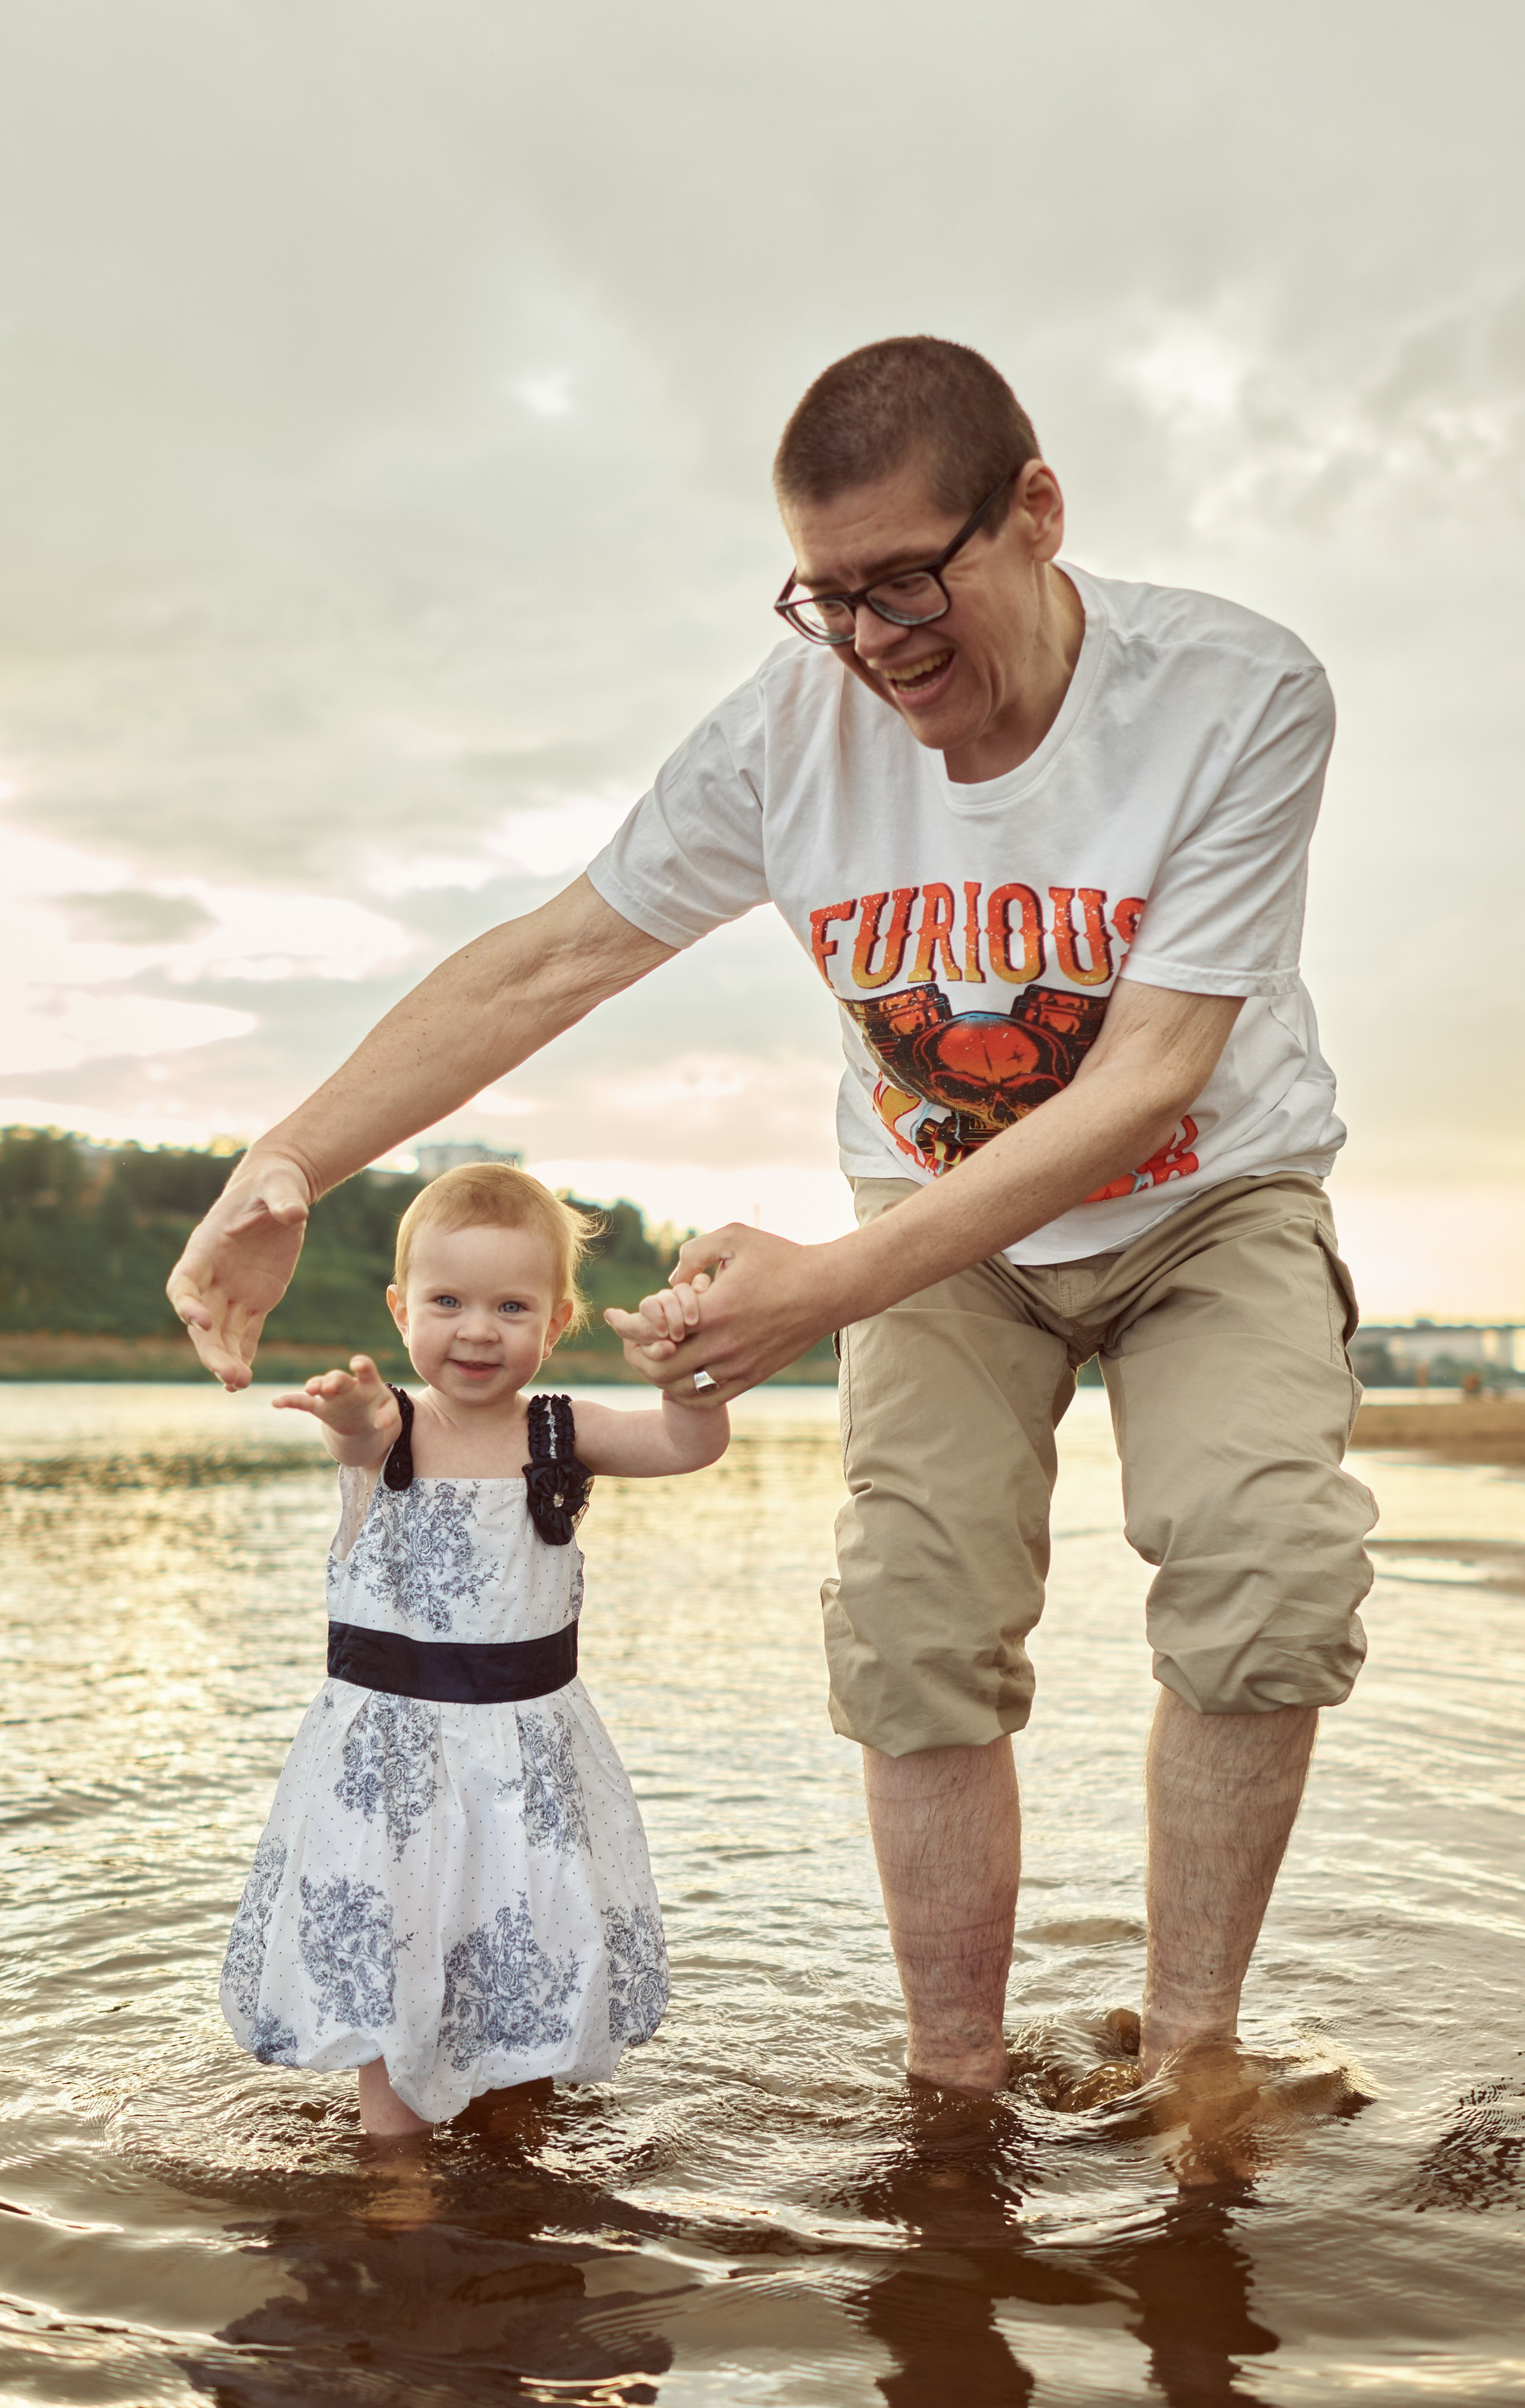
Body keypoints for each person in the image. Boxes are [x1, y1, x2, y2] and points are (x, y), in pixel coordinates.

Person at [176, 335, 1376, 2103]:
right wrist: (280, 1164)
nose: (880, 645)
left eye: (912, 581)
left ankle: (1195, 2050)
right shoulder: (784, 730)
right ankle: (954, 2089)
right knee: (912, 1621)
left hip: (1211, 1192)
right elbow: (553, 957)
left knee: (1262, 1569)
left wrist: (818, 1291)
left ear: (1036, 512)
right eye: (831, 600)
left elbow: (1149, 1081)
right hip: (930, 1209)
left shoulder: (1236, 690)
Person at [218, 1163, 726, 2135]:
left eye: (510, 1305)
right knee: (398, 1958)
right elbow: (357, 1434)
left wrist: (684, 1373)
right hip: (395, 1764)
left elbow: (686, 1444)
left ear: (557, 1317)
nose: (478, 1329)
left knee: (518, 1945)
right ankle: (395, 2173)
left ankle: (509, 2151)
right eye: (447, 1302)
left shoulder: (561, 1431)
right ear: (401, 1308)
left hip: (526, 1759)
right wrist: (346, 1408)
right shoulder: (395, 1426)